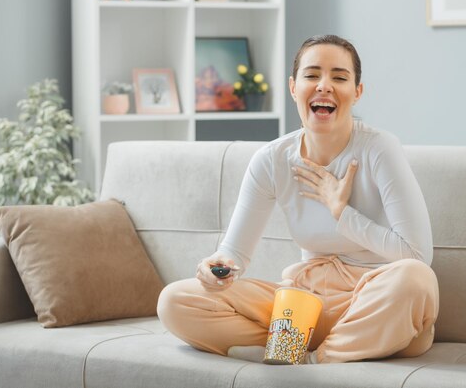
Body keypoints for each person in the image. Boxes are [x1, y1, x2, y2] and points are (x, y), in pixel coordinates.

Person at [157, 34, 439, 364]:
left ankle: (310, 360)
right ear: (293, 87)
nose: (324, 86)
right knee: (175, 300)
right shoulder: (272, 159)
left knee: (416, 280)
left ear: (357, 92)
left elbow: (419, 256)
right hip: (304, 306)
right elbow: (233, 255)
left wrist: (342, 213)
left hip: (375, 307)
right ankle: (292, 345)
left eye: (339, 77)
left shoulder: (379, 149)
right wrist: (215, 268)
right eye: (311, 75)